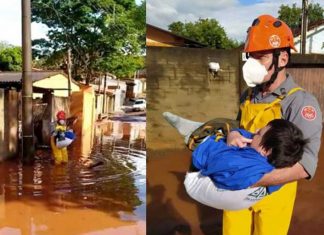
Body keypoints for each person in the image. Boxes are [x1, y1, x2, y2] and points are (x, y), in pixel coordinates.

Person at [168, 14, 322, 235]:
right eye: (252, 57)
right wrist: (231, 139)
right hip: (236, 189)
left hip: (273, 195)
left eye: (262, 58)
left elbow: (305, 166)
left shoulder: (300, 102)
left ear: (283, 59)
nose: (253, 65)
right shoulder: (248, 96)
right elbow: (240, 133)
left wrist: (249, 180)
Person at [163, 113, 306, 210]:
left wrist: (226, 137)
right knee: (238, 132)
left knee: (221, 128)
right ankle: (214, 131)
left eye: (259, 133)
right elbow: (248, 135)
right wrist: (236, 134)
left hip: (196, 183)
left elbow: (205, 159)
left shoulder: (239, 166)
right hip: (241, 201)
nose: (256, 130)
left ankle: (193, 132)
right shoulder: (285, 160)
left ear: (265, 150)